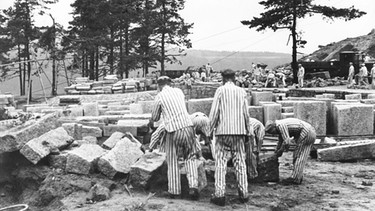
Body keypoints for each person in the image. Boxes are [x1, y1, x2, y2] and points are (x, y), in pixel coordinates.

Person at [149, 76, 200, 200]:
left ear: (159, 86)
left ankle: (174, 191)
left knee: (173, 160)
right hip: (188, 126)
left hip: (173, 129)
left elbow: (155, 118)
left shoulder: (159, 96)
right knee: (190, 156)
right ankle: (193, 186)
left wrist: (151, 121)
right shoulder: (179, 92)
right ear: (169, 83)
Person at [209, 69, 254, 206]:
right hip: (239, 132)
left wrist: (209, 130)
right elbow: (246, 113)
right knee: (240, 162)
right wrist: (249, 131)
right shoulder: (241, 91)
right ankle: (244, 193)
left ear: (223, 78)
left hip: (223, 131)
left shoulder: (220, 90)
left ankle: (220, 194)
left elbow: (215, 112)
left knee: (220, 163)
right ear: (234, 78)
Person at [265, 118, 316, 185]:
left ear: (274, 127)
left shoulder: (280, 125)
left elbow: (287, 142)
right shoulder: (279, 126)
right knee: (297, 155)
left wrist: (280, 151)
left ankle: (295, 178)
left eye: (272, 132)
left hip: (307, 132)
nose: (273, 134)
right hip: (308, 132)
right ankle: (298, 176)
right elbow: (281, 141)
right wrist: (277, 151)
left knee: (299, 155)